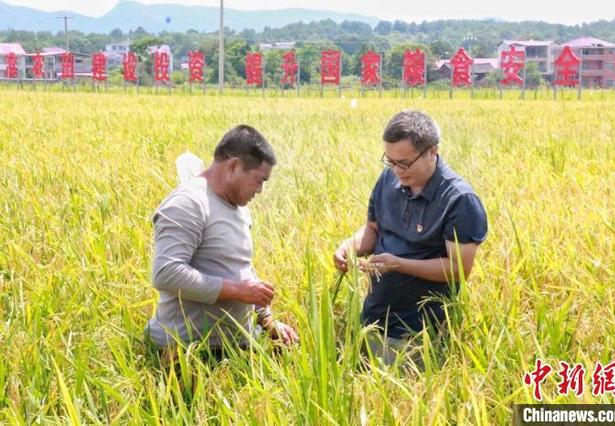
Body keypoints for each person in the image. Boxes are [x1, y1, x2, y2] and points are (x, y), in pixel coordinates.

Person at [333, 110, 487, 365]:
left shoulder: (458, 200)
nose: (397, 171)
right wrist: (349, 247)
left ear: (432, 152)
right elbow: (372, 229)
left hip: (417, 334)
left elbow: (458, 269)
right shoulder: (388, 179)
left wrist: (398, 265)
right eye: (390, 161)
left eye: (404, 163)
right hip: (372, 319)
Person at [145, 125, 298, 358]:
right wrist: (236, 290)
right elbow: (166, 273)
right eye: (259, 180)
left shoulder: (238, 207)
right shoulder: (189, 204)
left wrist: (266, 318)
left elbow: (240, 268)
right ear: (233, 167)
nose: (261, 190)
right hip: (188, 353)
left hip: (237, 347)